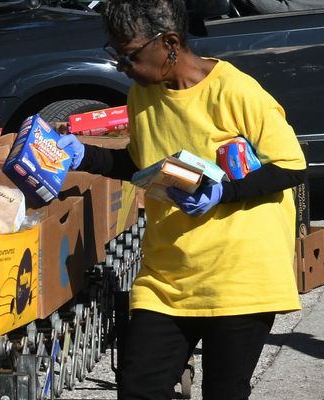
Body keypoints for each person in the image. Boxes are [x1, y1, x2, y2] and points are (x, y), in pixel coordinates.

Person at [55, 0, 308, 398]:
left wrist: (223, 191)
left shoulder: (235, 90)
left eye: (130, 55)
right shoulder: (143, 95)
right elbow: (140, 164)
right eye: (115, 54)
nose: (122, 65)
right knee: (139, 387)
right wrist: (82, 154)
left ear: (170, 42)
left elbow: (291, 165)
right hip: (167, 276)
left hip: (241, 276)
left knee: (225, 390)